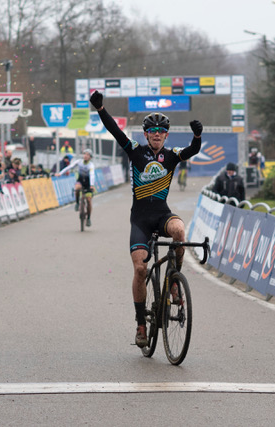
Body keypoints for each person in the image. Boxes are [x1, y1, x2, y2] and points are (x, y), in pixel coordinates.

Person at [90, 90, 203, 348]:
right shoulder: (135, 152)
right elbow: (115, 132)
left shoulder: (172, 155)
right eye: (152, 130)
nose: (156, 134)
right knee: (140, 269)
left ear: (166, 135)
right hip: (140, 220)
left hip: (162, 214)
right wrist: (101, 109)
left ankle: (174, 280)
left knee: (179, 232)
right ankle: (141, 323)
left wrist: (198, 135)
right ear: (146, 134)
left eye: (161, 131)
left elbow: (194, 149)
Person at [58, 148, 96, 226]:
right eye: (85, 154)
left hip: (88, 183)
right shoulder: (79, 162)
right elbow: (70, 167)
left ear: (90, 157)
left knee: (89, 200)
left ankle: (88, 218)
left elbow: (92, 174)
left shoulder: (91, 165)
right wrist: (60, 173)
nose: (85, 156)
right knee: (77, 188)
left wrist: (92, 185)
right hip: (80, 180)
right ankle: (77, 203)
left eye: (88, 155)